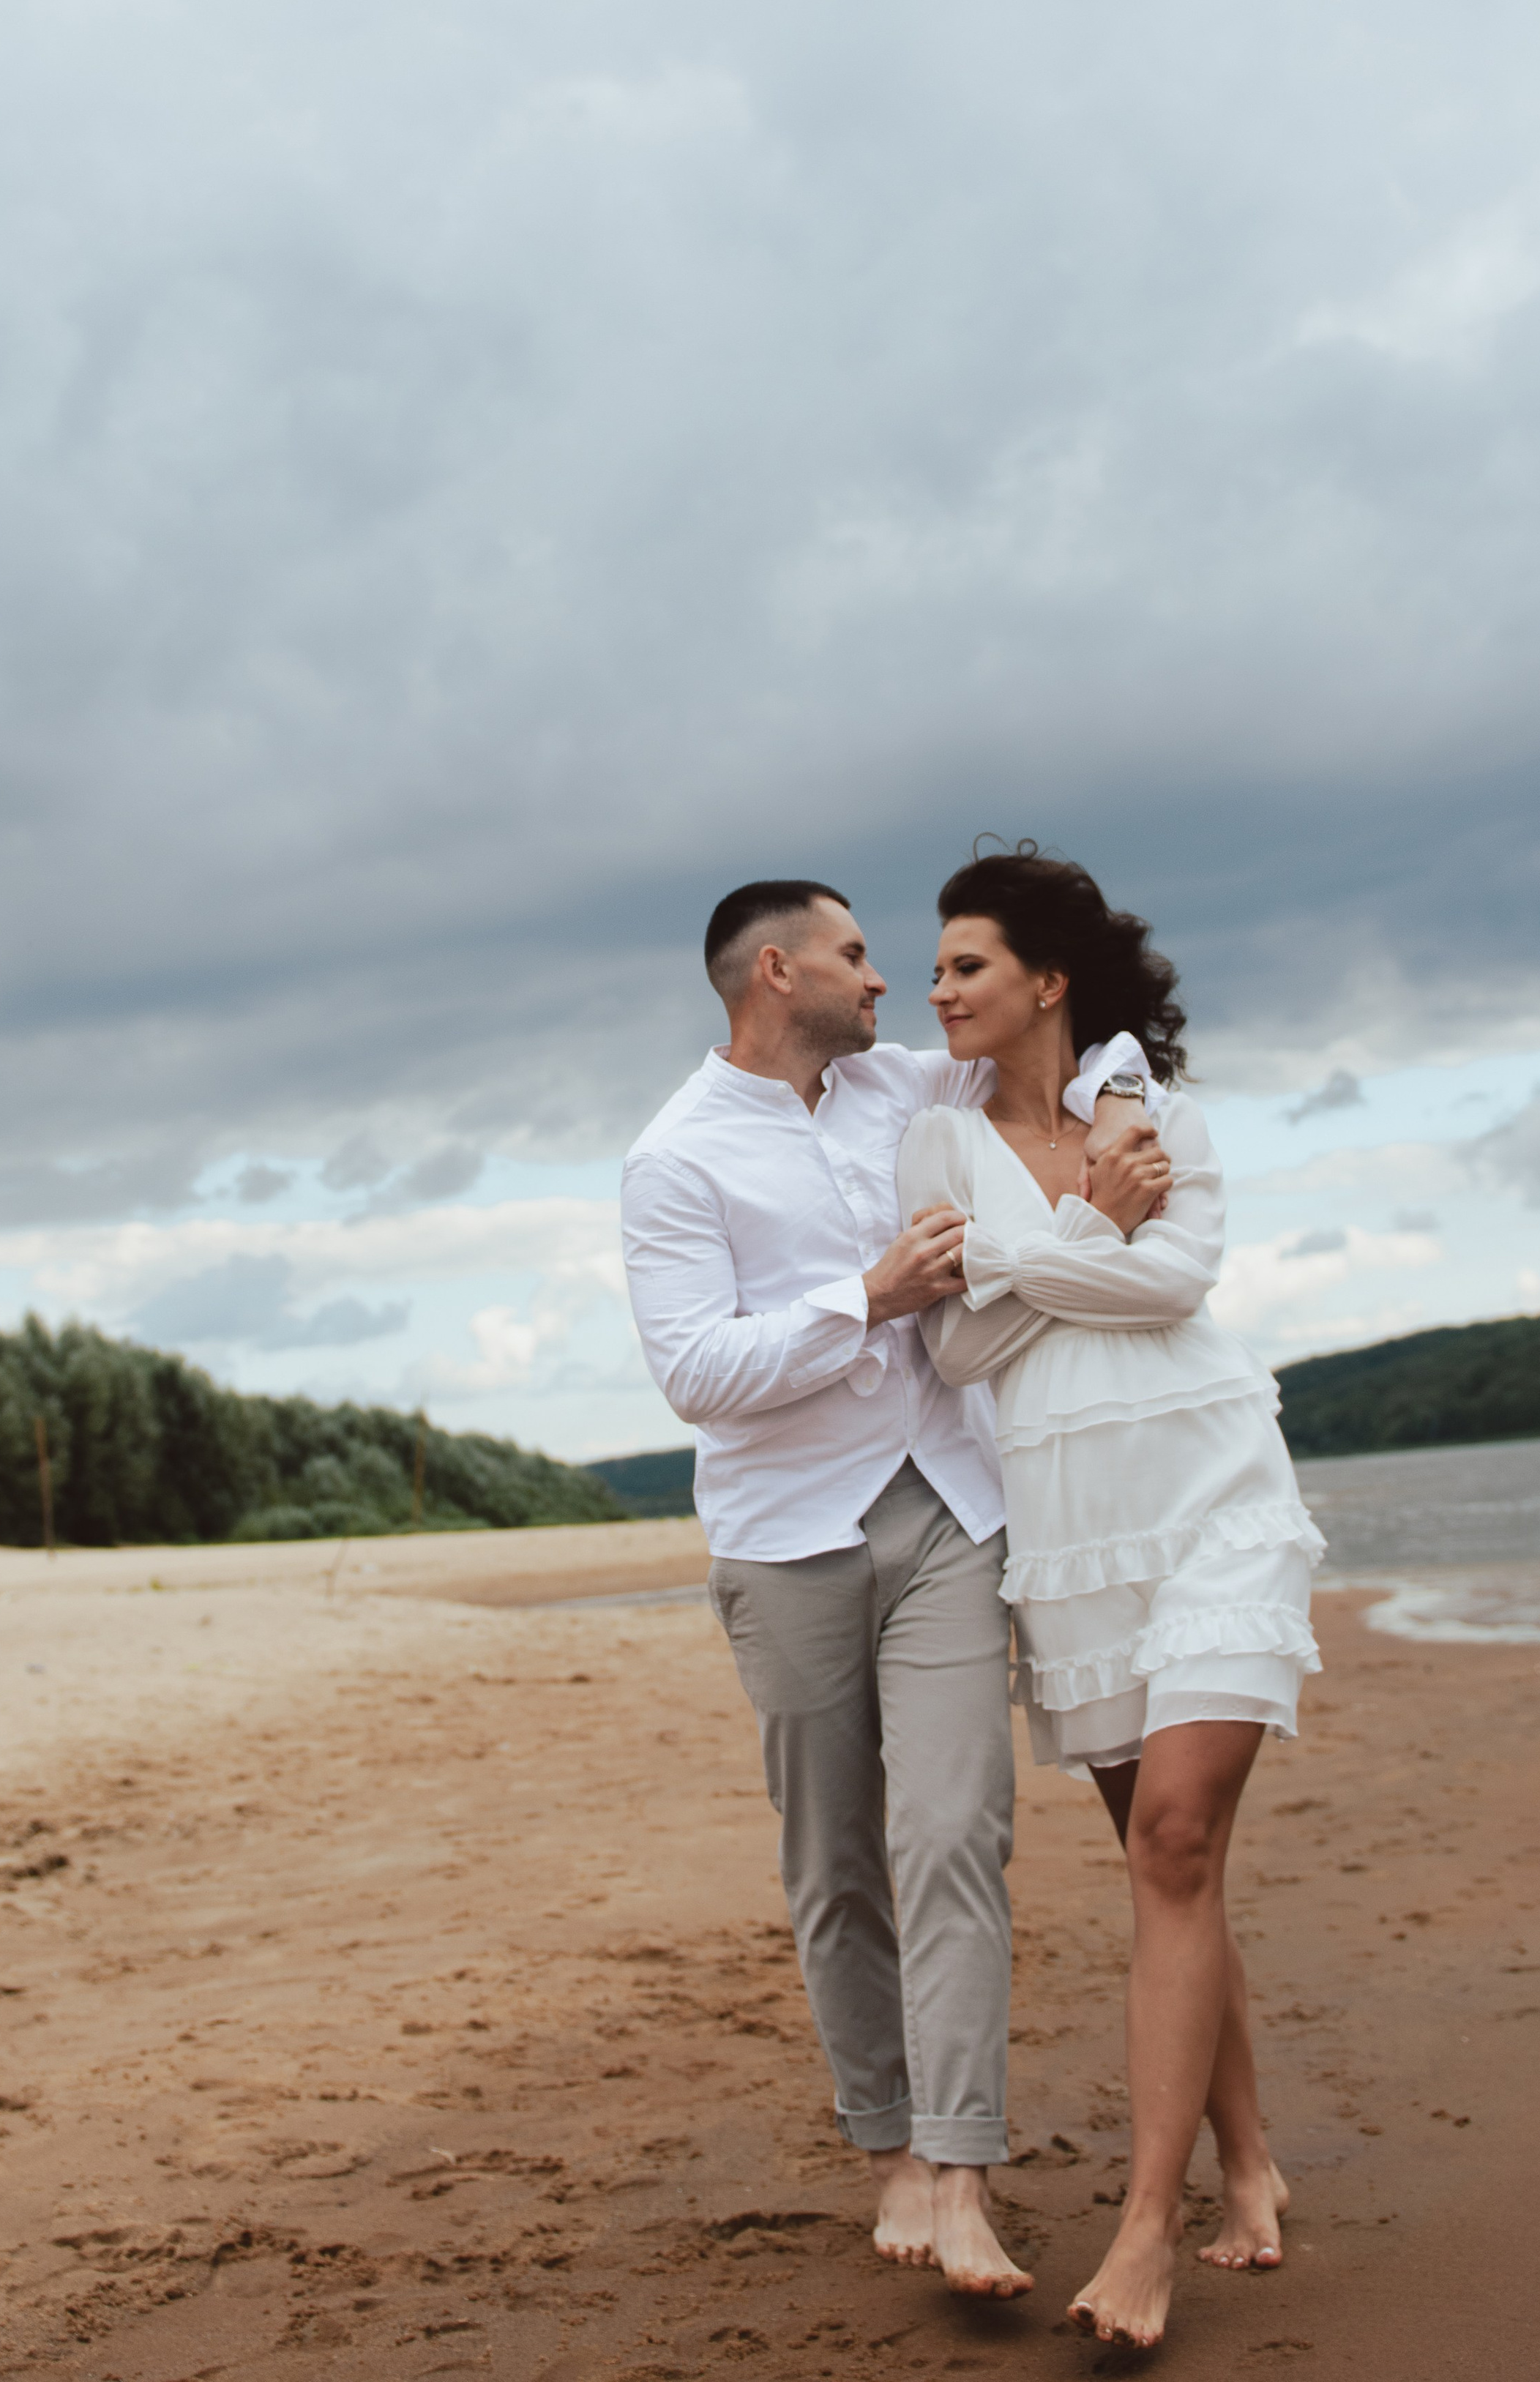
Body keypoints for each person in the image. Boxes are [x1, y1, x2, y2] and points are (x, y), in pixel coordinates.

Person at [620, 878, 1168, 2293]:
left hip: (947, 1510)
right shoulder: (674, 1159)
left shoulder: (908, 1083)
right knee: (837, 1863)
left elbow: (1090, 1042)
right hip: (784, 1534)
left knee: (955, 1830)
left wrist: (1115, 1118)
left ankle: (968, 2173)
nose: (891, 985)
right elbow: (693, 1376)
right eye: (859, 957)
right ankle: (895, 2154)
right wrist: (864, 1298)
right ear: (775, 972)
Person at [897, 843, 1325, 2350]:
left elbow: (1177, 1286)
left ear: (1046, 981)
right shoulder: (937, 1150)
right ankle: (1250, 2165)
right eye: (935, 967)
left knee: (1173, 1835)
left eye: (963, 966)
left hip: (1211, 1489)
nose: (935, 990)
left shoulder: (1163, 1117)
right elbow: (949, 1358)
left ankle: (1145, 2228)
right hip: (1071, 1536)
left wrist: (1028, 1267)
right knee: (1173, 1875)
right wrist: (1087, 1225)